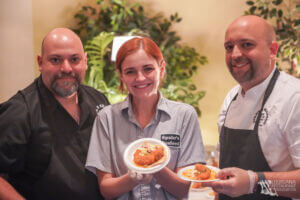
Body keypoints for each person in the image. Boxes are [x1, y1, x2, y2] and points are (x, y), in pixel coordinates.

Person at [85, 37, 206, 199]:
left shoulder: (184, 116)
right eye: (130, 71)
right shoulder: (107, 118)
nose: (140, 78)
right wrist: (132, 178)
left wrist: (153, 166)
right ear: (121, 75)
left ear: (161, 68)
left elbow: (186, 188)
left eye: (148, 69)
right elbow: (106, 189)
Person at [0, 28, 109, 200]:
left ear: (85, 61)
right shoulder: (20, 110)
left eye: (74, 59)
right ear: (40, 62)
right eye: (56, 60)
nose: (66, 68)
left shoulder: (98, 99)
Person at [202, 15, 300, 200]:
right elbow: (224, 168)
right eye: (229, 47)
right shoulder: (231, 98)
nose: (236, 54)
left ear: (272, 50)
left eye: (247, 44)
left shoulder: (294, 98)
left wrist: (255, 182)